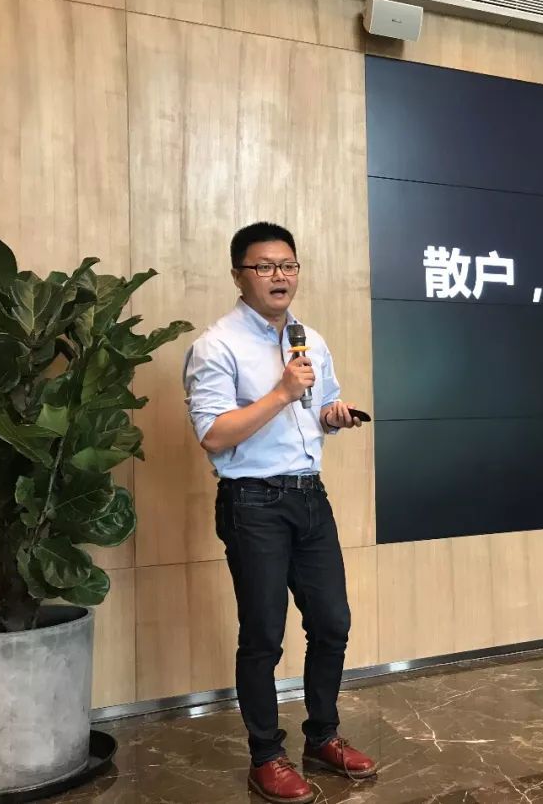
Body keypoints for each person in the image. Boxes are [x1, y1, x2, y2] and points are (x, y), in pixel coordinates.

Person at [183, 222, 377, 804]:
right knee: (264, 635)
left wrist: (332, 416)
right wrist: (281, 393)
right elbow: (214, 435)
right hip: (252, 503)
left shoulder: (307, 339)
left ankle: (322, 738)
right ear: (239, 274)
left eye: (288, 265)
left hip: (309, 496)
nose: (279, 276)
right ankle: (266, 756)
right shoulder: (216, 346)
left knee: (333, 623)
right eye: (265, 266)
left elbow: (318, 406)